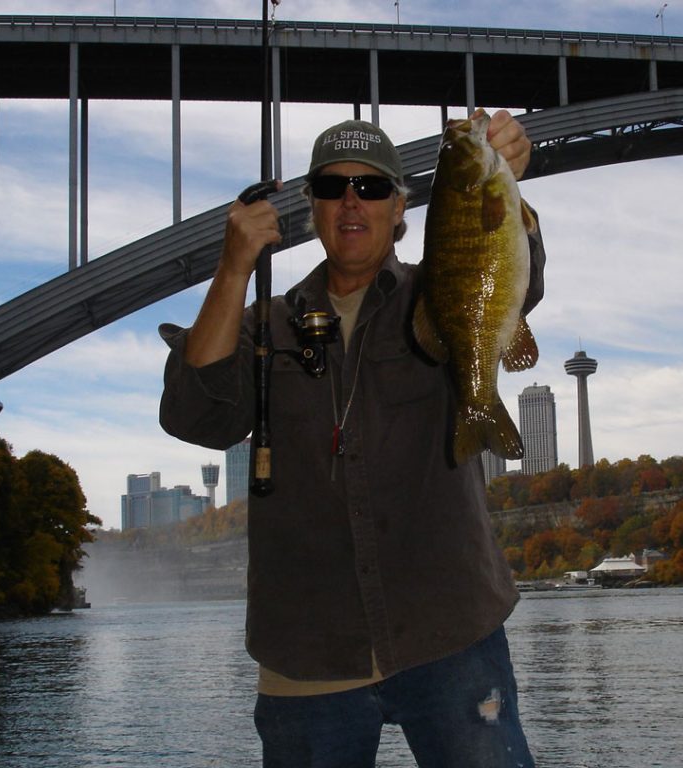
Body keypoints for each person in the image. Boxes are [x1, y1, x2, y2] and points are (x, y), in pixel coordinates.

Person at [159, 109, 545, 768]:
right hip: (307, 654)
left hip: (449, 630)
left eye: (371, 188)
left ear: (401, 210)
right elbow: (197, 417)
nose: (350, 201)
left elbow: (517, 277)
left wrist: (510, 187)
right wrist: (232, 267)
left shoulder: (441, 293)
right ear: (311, 208)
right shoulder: (265, 324)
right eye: (332, 186)